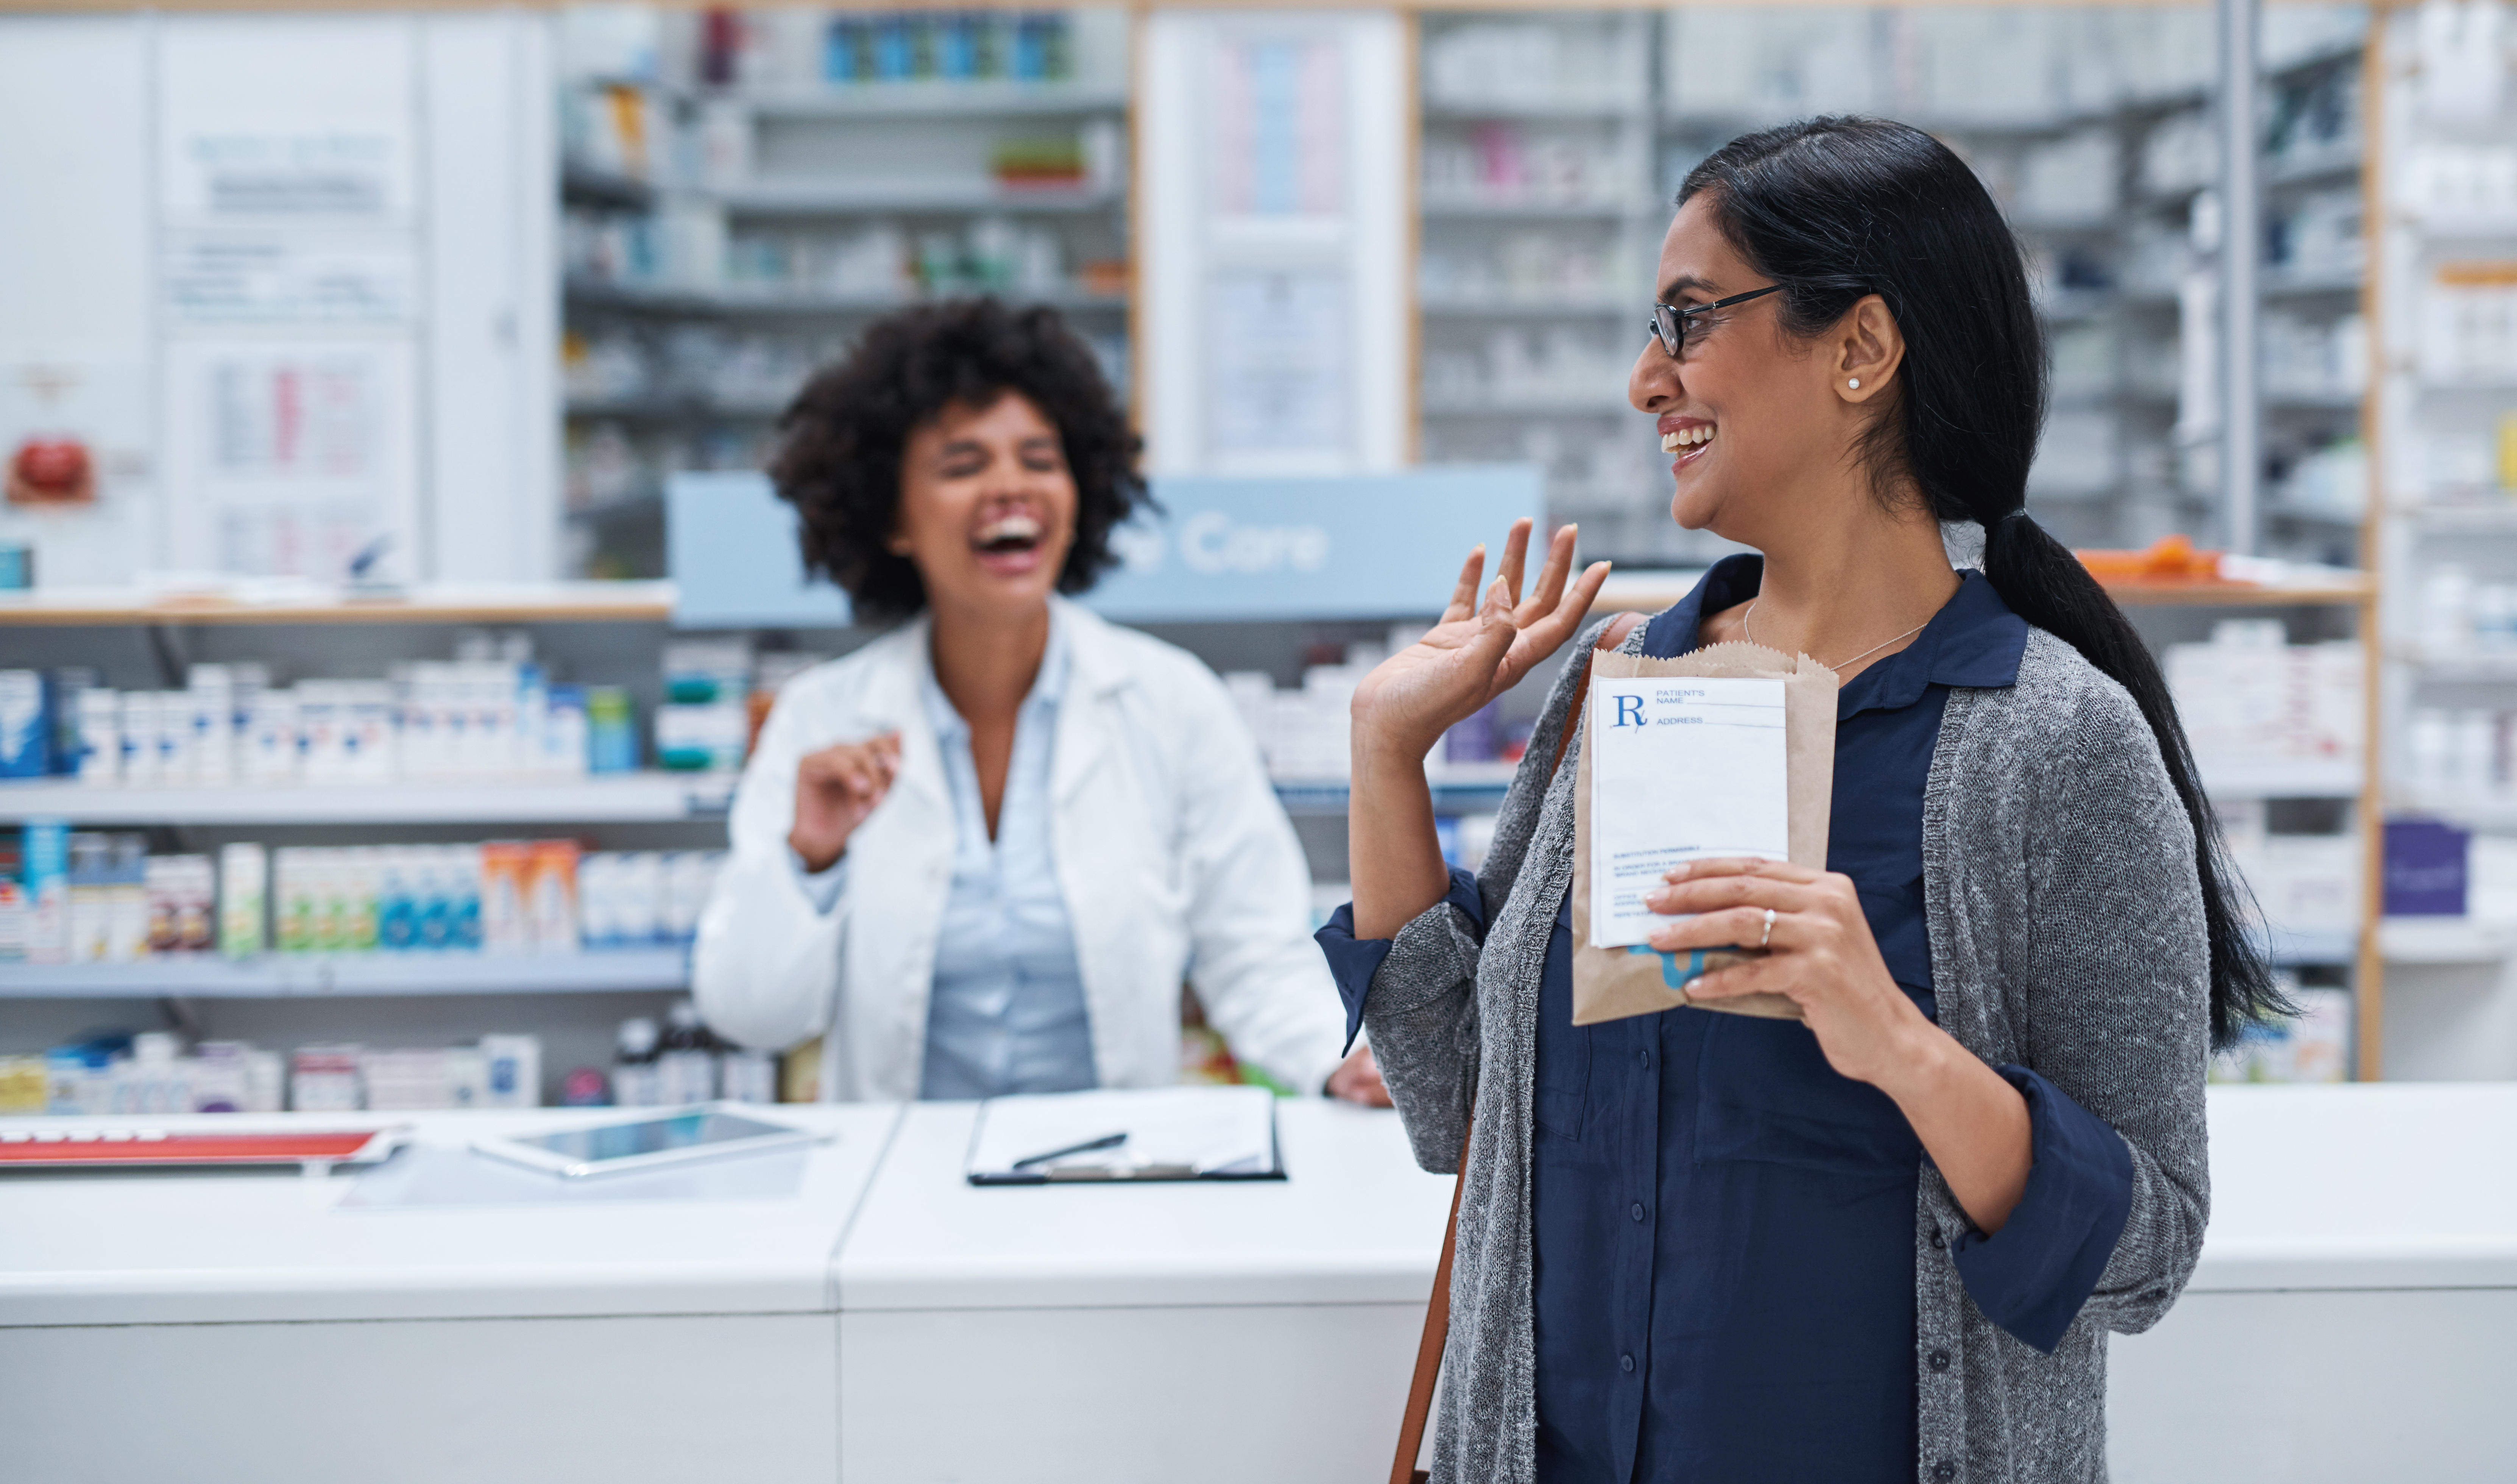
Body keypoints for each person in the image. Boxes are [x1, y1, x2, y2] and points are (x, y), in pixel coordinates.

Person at [1320, 117, 2282, 1482]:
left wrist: (1892, 1037)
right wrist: (1381, 759)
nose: (1645, 378)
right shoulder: (1617, 686)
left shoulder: (2054, 744)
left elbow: (2140, 1255)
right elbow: (1465, 1117)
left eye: (1688, 319)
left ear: (1860, 349)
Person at [695, 298, 1386, 1106]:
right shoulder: (823, 717)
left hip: (1113, 1185)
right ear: (891, 516)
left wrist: (1335, 1057)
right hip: (899, 1193)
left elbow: (1256, 953)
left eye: (1039, 458)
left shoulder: (1171, 702)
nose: (1011, 488)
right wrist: (810, 858)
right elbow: (751, 1015)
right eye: (963, 466)